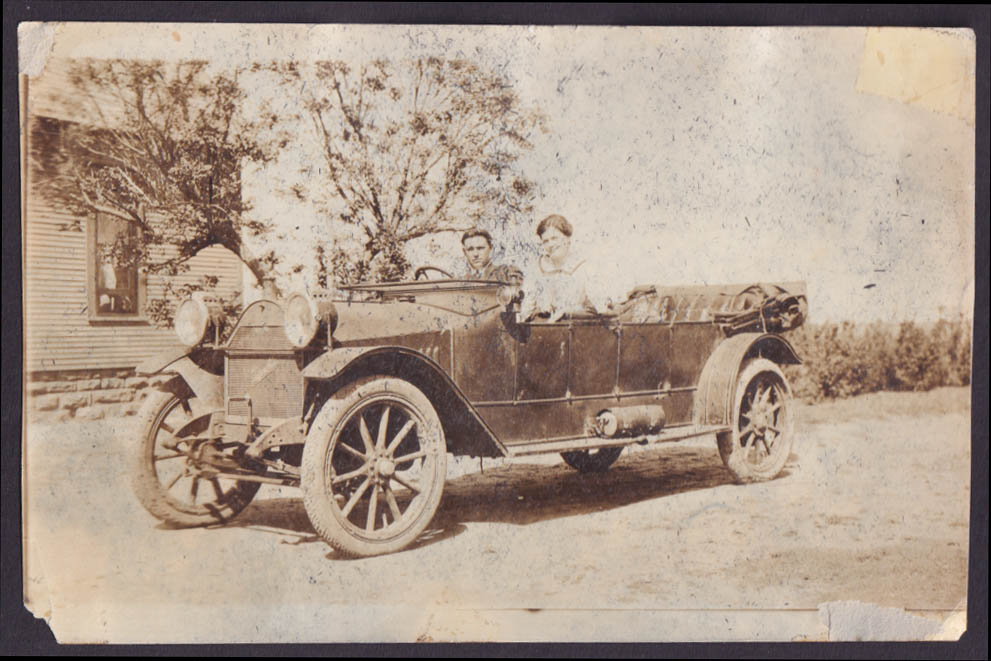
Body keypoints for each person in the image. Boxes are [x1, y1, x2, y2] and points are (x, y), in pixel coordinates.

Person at [519, 214, 608, 321]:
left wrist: (567, 312)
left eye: (554, 238)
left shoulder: (583, 267)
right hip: (542, 330)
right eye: (545, 241)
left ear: (567, 238)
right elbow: (525, 312)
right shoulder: (537, 269)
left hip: (576, 329)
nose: (550, 244)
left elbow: (600, 308)